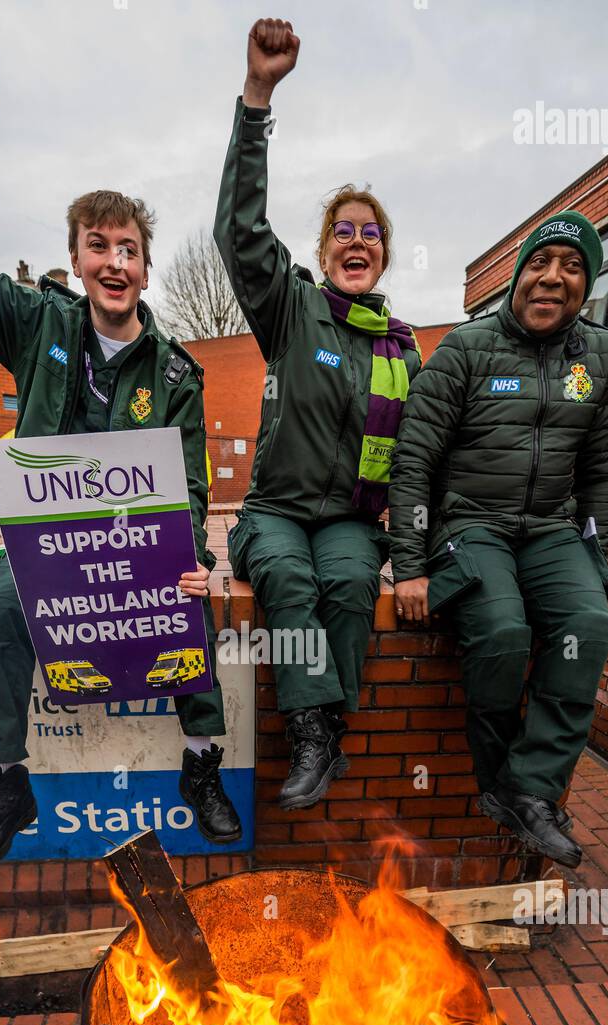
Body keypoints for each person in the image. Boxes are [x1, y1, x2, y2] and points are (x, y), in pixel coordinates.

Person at [0, 65, 241, 865]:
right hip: (48, 546)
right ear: (78, 257)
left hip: (137, 547)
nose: (115, 262)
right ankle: (8, 781)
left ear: (145, 269)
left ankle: (201, 767)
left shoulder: (176, 374)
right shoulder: (35, 324)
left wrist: (191, 558)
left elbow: (191, 487)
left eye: (129, 249)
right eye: (100, 247)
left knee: (190, 597)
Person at [215, 19, 422, 810]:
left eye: (371, 234)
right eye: (344, 231)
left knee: (345, 583)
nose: (357, 241)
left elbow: (414, 462)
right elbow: (238, 232)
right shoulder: (292, 307)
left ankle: (331, 727)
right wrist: (258, 97)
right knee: (289, 580)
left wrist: (414, 554)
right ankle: (309, 731)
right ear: (325, 249)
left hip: (349, 518)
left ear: (384, 255)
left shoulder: (401, 352)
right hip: (275, 510)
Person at [390, 210, 608, 868]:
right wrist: (410, 563)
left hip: (553, 528)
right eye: (540, 264)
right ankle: (502, 781)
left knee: (590, 622)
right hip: (470, 523)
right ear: (519, 276)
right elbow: (412, 459)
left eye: (572, 267)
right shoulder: (467, 348)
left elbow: (603, 472)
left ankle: (531, 791)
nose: (552, 278)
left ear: (587, 286)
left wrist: (592, 556)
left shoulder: (603, 357)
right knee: (501, 631)